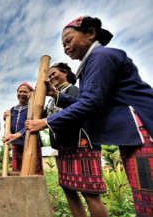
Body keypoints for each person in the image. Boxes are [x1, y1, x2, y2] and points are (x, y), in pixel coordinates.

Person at [26, 16, 153, 217]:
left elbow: (90, 103)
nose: (66, 47)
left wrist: (46, 122)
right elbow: (87, 101)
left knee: (148, 200)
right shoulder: (91, 64)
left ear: (91, 33)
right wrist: (56, 95)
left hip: (142, 129)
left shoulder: (101, 56)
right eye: (63, 44)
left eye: (69, 40)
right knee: (143, 198)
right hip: (130, 135)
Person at [44, 62, 107, 217]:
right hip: (64, 147)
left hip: (81, 144)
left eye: (54, 74)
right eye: (49, 76)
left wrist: (55, 94)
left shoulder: (74, 90)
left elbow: (79, 109)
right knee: (68, 188)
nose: (51, 77)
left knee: (89, 192)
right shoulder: (51, 99)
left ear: (65, 73)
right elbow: (40, 117)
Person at [2, 82, 43, 174]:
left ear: (31, 94)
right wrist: (6, 121)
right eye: (20, 91)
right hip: (17, 144)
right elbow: (9, 129)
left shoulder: (34, 107)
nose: (22, 94)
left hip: (31, 143)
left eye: (25, 92)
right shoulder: (13, 109)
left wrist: (18, 134)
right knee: (17, 172)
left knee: (32, 171)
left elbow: (34, 124)